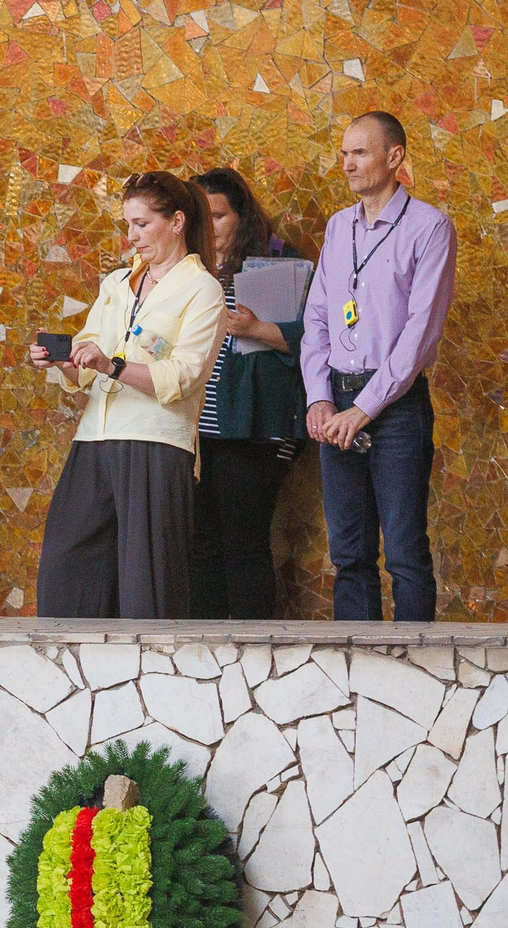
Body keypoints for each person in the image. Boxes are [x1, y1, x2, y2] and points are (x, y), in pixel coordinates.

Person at [32, 172, 226, 619]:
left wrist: (111, 365)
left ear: (176, 221)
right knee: (65, 573)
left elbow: (185, 375)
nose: (131, 236)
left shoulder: (203, 290)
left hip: (156, 442)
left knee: (147, 585)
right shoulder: (117, 284)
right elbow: (90, 348)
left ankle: (155, 680)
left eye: (141, 224)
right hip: (95, 437)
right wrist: (67, 361)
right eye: (128, 224)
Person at [302, 112, 457, 622]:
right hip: (337, 400)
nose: (347, 163)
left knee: (406, 553)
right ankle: (356, 680)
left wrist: (363, 409)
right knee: (349, 556)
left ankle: (415, 681)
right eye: (344, 153)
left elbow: (420, 335)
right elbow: (318, 316)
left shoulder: (429, 227)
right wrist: (320, 398)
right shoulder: (338, 226)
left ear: (395, 157)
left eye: (360, 152)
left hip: (394, 405)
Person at [190, 168, 307, 619]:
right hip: (196, 430)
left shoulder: (276, 263)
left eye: (219, 216)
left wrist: (258, 329)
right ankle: (205, 658)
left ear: (242, 217)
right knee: (200, 546)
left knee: (244, 544)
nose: (211, 227)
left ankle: (252, 658)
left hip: (254, 427)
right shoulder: (186, 271)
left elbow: (319, 340)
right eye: (202, 216)